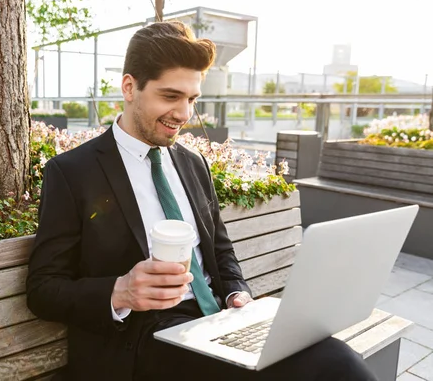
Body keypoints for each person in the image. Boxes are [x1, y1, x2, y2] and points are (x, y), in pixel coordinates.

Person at [26, 21, 378, 381]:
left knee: (339, 362)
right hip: (143, 338)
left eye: (192, 99)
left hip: (218, 322)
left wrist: (237, 295)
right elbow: (42, 290)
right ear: (129, 87)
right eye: (170, 96)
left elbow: (221, 254)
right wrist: (121, 292)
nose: (183, 114)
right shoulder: (72, 171)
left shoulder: (193, 163)